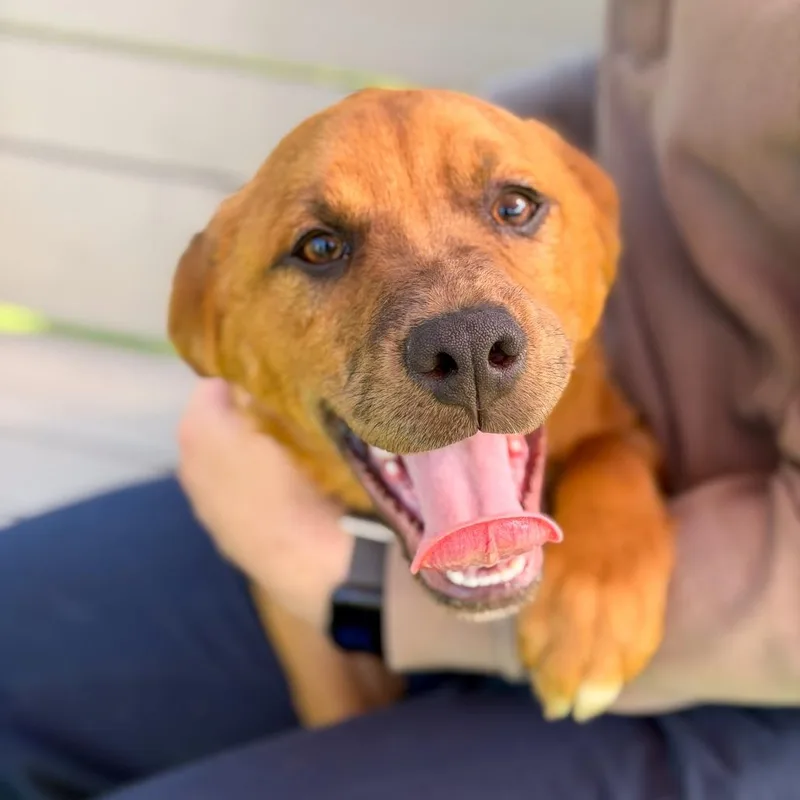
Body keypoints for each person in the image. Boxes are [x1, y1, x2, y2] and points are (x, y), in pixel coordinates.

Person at [2, 0, 799, 797]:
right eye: (322, 247)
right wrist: (424, 148)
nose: (459, 336)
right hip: (352, 493)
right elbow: (659, 87)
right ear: (212, 335)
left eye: (514, 210)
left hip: (748, 665)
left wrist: (347, 583)